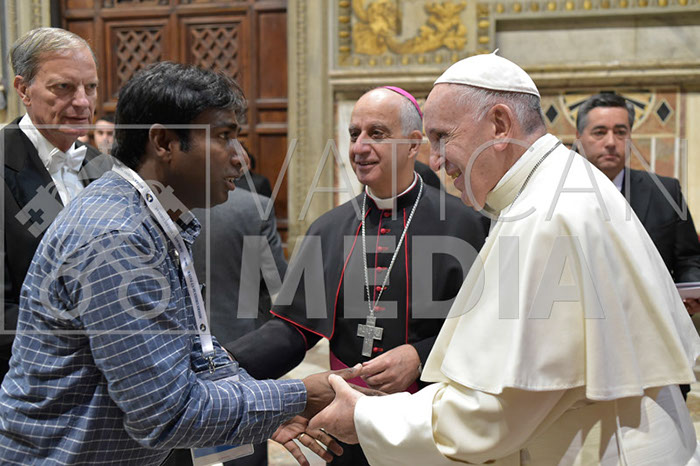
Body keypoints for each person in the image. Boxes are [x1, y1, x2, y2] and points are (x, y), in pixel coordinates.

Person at [309, 53, 700, 465]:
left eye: (442, 137)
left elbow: (497, 411)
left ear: (499, 124)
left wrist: (366, 418)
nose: (435, 160)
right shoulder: (556, 186)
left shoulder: (545, 217)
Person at [0, 62, 355, 466]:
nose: (240, 158)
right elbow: (165, 415)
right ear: (164, 142)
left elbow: (186, 355)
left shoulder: (151, 216)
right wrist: (299, 396)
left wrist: (266, 406)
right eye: (224, 136)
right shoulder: (116, 236)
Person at [231, 86, 488, 465]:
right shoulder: (328, 228)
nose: (359, 147)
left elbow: (486, 329)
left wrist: (420, 356)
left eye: (376, 134)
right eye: (354, 134)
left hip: (432, 424)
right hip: (348, 427)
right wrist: (222, 364)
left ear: (413, 144)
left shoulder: (464, 224)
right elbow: (292, 330)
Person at [1, 27, 112, 382]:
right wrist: (90, 349)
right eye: (63, 87)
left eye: (90, 87)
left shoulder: (106, 168)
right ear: (23, 89)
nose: (82, 102)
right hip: (30, 386)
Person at [575, 93, 700, 316]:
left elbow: (689, 259)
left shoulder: (665, 192)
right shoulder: (553, 194)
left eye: (620, 132)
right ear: (579, 138)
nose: (611, 142)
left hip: (651, 320)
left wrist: (689, 293)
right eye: (600, 132)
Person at [189, 189, 287, 466]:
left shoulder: (166, 203)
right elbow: (276, 279)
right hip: (241, 345)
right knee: (242, 451)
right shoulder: (254, 207)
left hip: (180, 350)